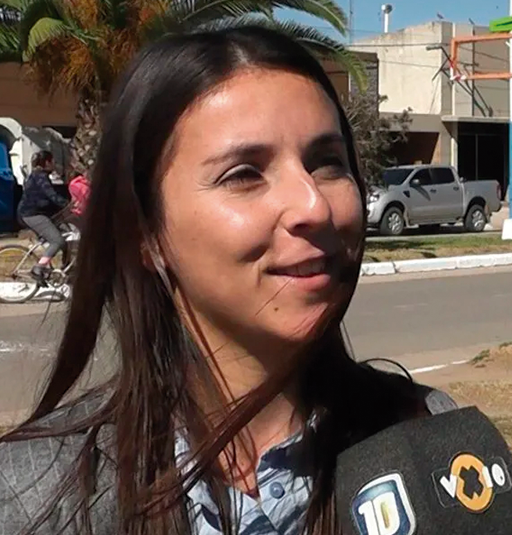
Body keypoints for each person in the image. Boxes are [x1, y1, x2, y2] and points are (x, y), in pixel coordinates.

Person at [0, 27, 454, 535]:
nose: (313, 206)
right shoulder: (31, 496)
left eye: (328, 163)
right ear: (146, 235)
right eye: (243, 174)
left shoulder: (435, 445)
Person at [17, 150, 70, 281]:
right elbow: (51, 195)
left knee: (67, 235)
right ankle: (38, 268)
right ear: (47, 162)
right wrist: (68, 204)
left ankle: (66, 268)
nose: (54, 164)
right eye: (53, 161)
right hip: (32, 215)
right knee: (57, 241)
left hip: (38, 213)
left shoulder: (38, 175)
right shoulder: (40, 177)